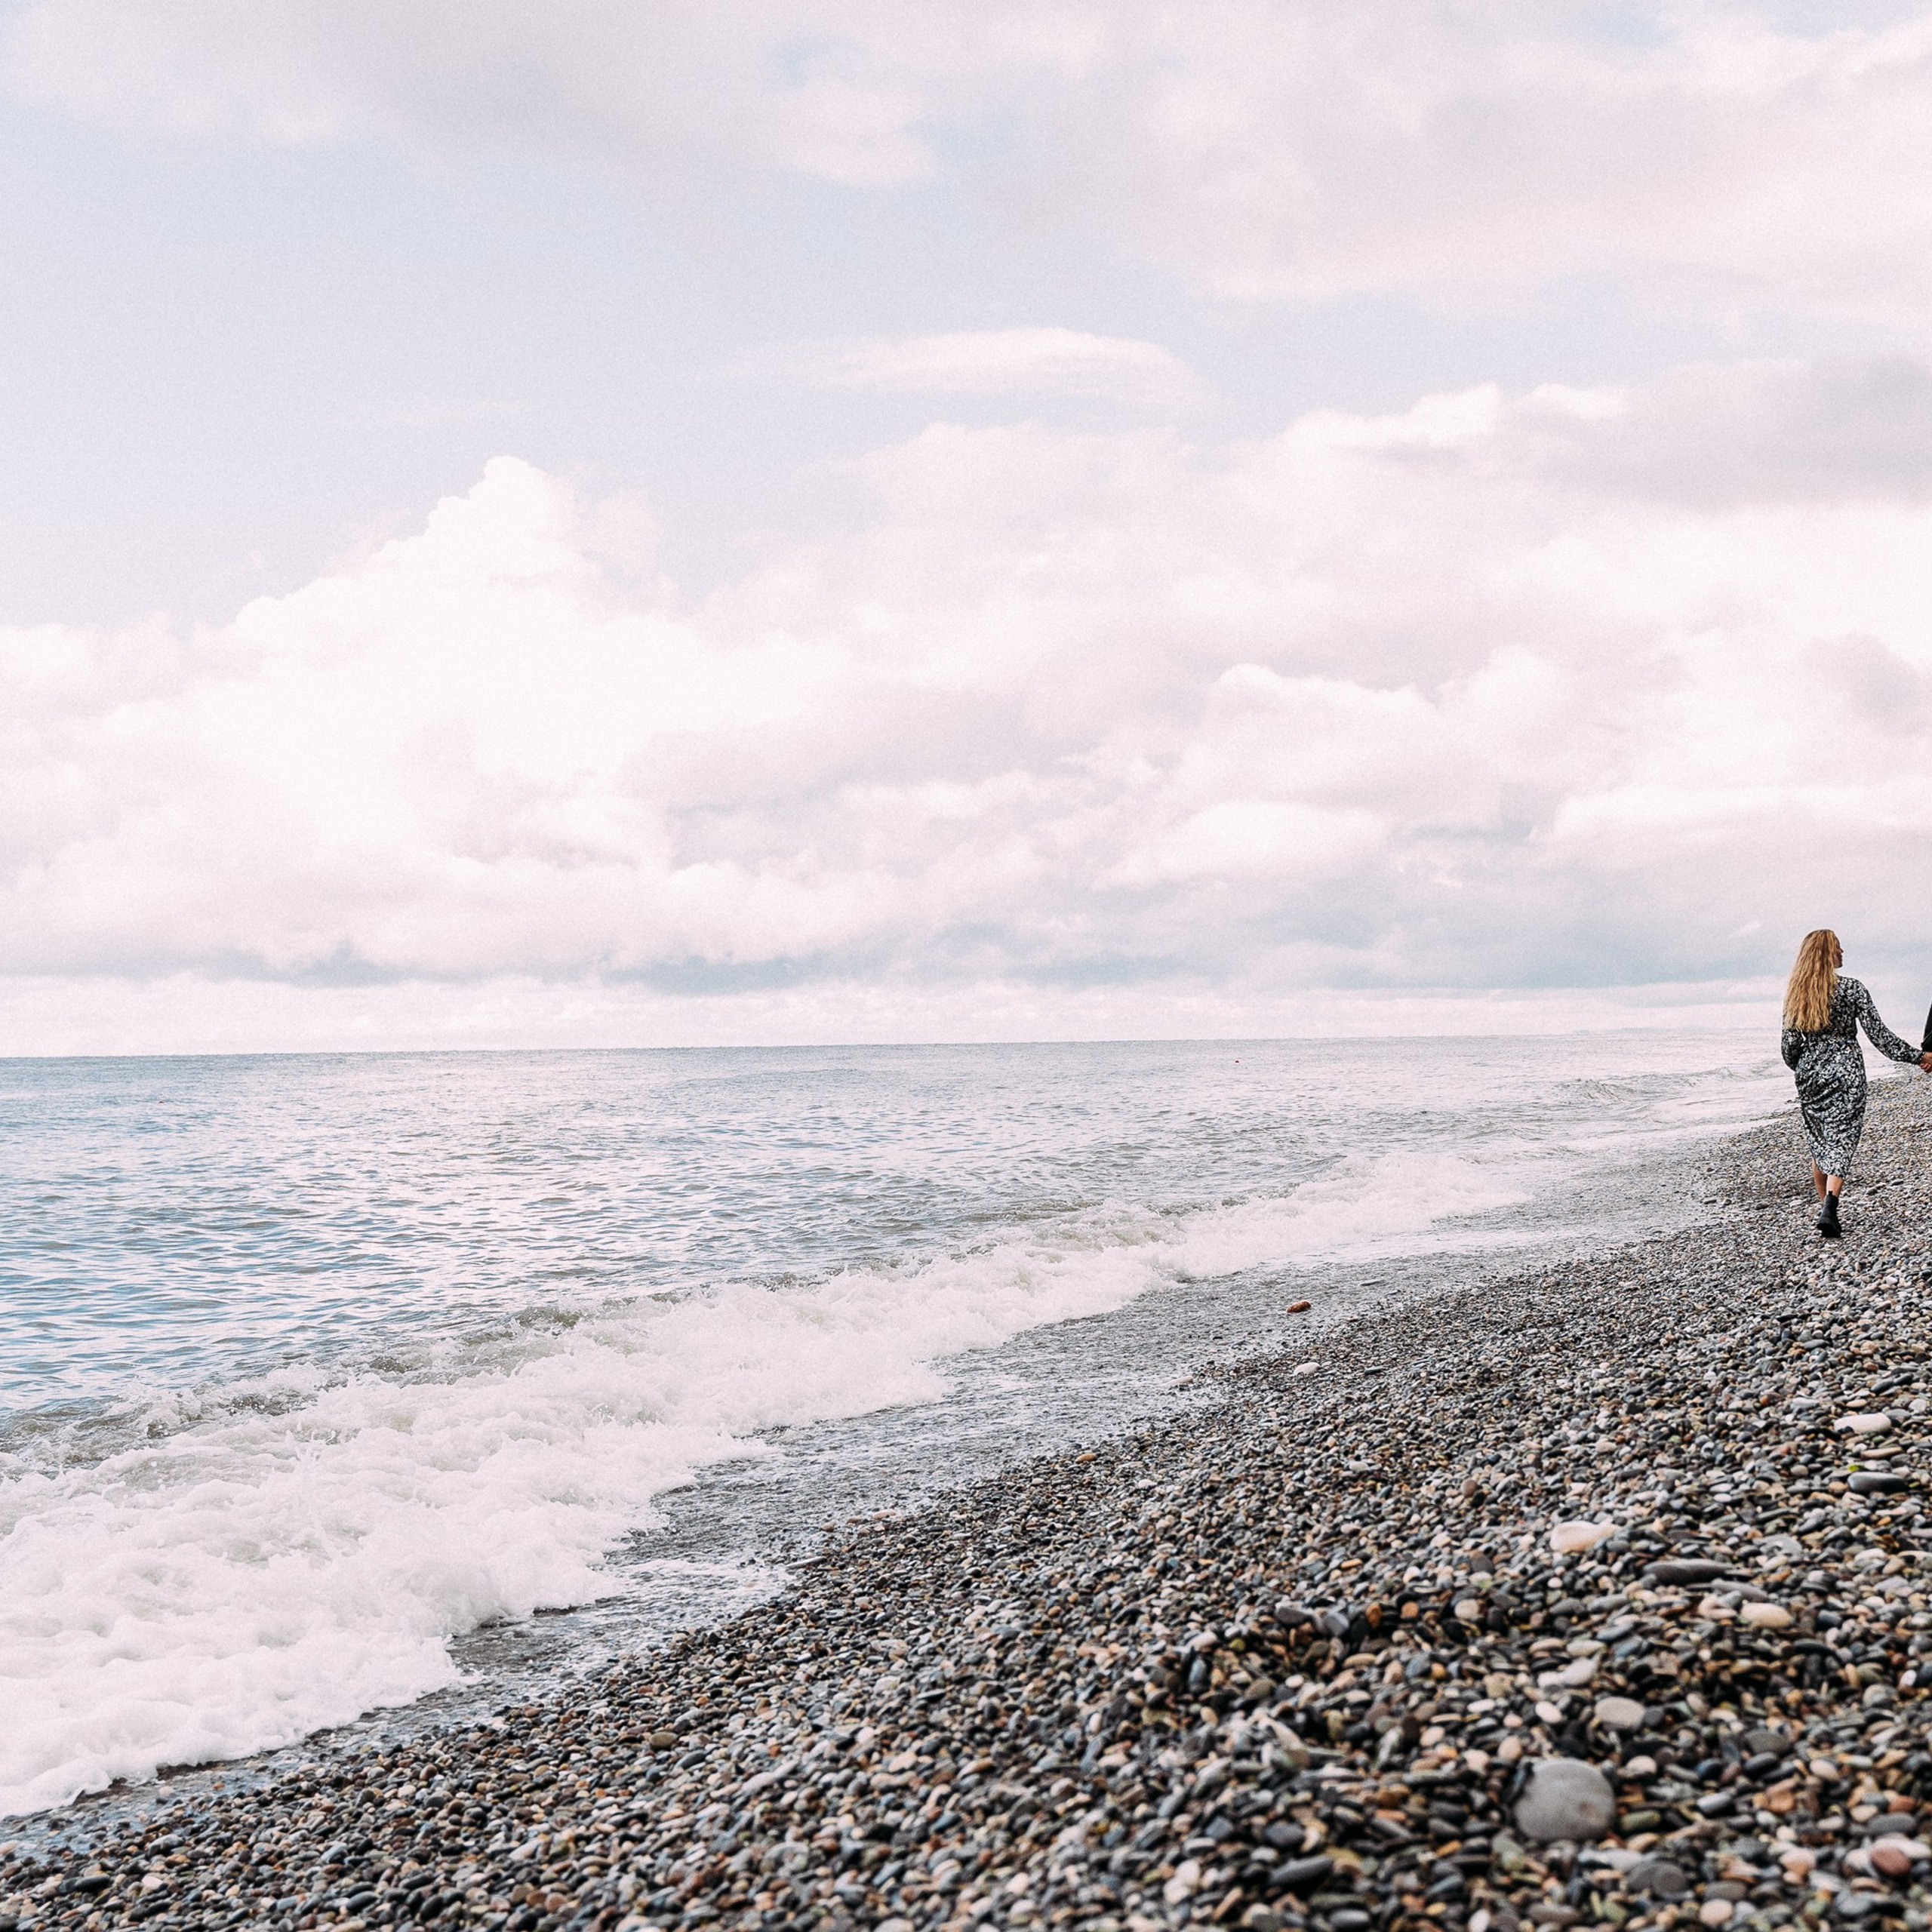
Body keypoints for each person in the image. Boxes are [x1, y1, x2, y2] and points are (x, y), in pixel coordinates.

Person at [1779, 929, 1932, 1238]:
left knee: (1821, 1141)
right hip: (1847, 1070)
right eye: (1838, 947)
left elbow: (1789, 1046)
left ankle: (1826, 1211)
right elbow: (1880, 1036)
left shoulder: (1798, 994)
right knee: (1843, 1140)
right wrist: (1919, 1057)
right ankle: (1831, 1206)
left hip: (1810, 1076)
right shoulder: (1852, 989)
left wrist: (1806, 1068)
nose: (1843, 951)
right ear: (1826, 953)